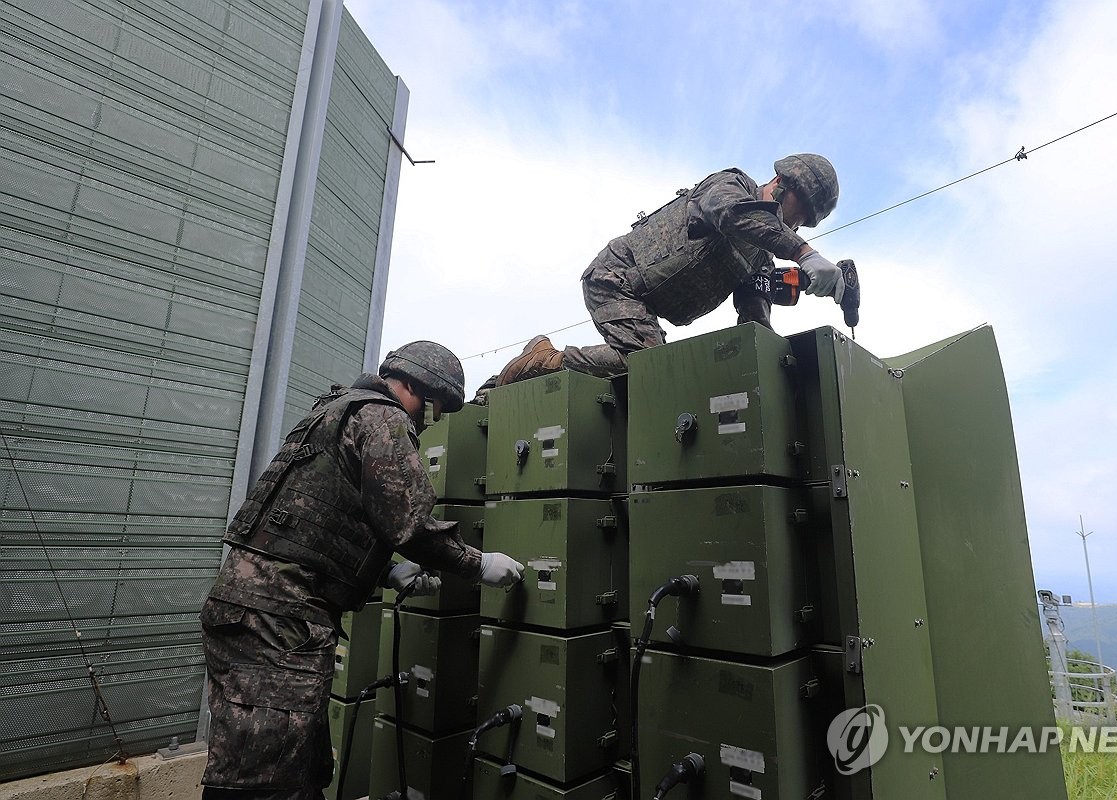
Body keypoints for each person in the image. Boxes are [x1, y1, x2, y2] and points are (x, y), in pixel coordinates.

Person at [199, 341, 524, 800]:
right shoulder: (382, 417)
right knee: (262, 781)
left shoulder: (335, 412)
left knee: (295, 765)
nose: (430, 420)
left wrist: (385, 572)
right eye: (435, 407)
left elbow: (312, 522)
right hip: (280, 617)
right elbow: (410, 524)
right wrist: (478, 564)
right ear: (416, 387)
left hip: (255, 609)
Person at [497, 154, 845, 384]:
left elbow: (755, 315)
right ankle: (544, 360)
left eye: (806, 222)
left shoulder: (760, 256)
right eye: (801, 208)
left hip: (645, 303)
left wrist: (765, 361)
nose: (797, 222)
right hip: (616, 278)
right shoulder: (731, 186)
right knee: (644, 362)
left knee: (657, 369)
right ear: (782, 182)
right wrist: (803, 253)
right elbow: (731, 214)